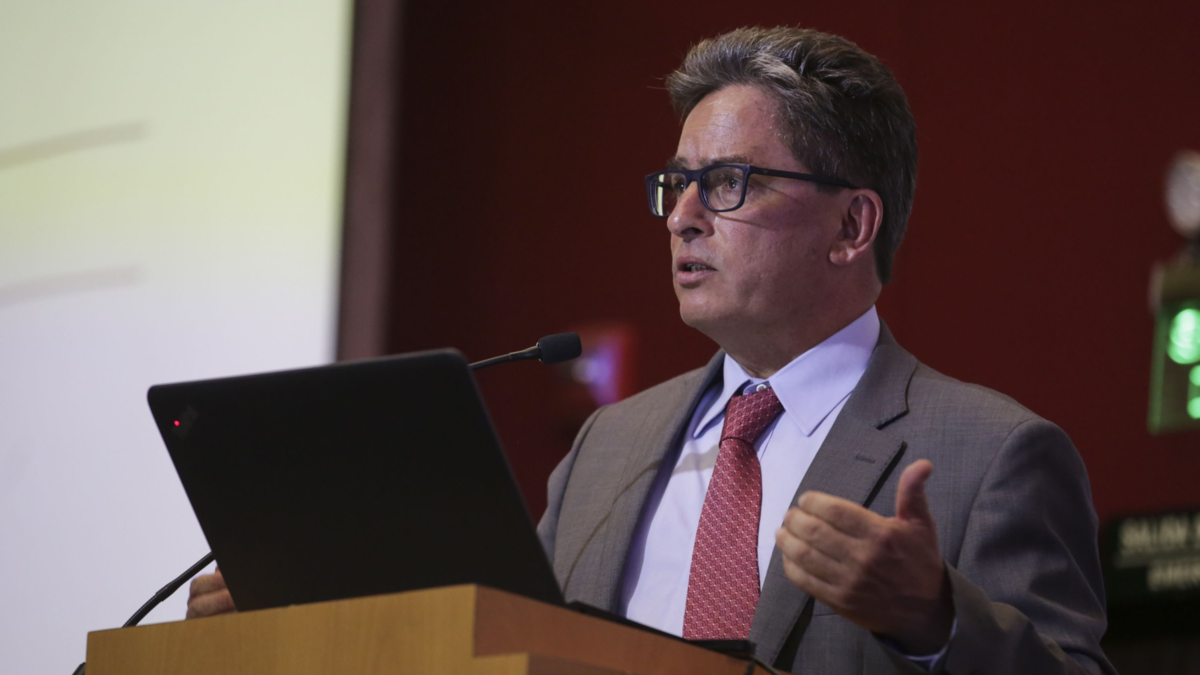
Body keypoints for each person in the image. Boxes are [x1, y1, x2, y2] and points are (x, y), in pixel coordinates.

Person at [189, 25, 1115, 675]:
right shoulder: (610, 446)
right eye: (677, 184)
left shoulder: (990, 452)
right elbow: (509, 649)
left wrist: (936, 618)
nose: (682, 216)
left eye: (728, 182)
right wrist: (307, 615)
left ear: (851, 225)